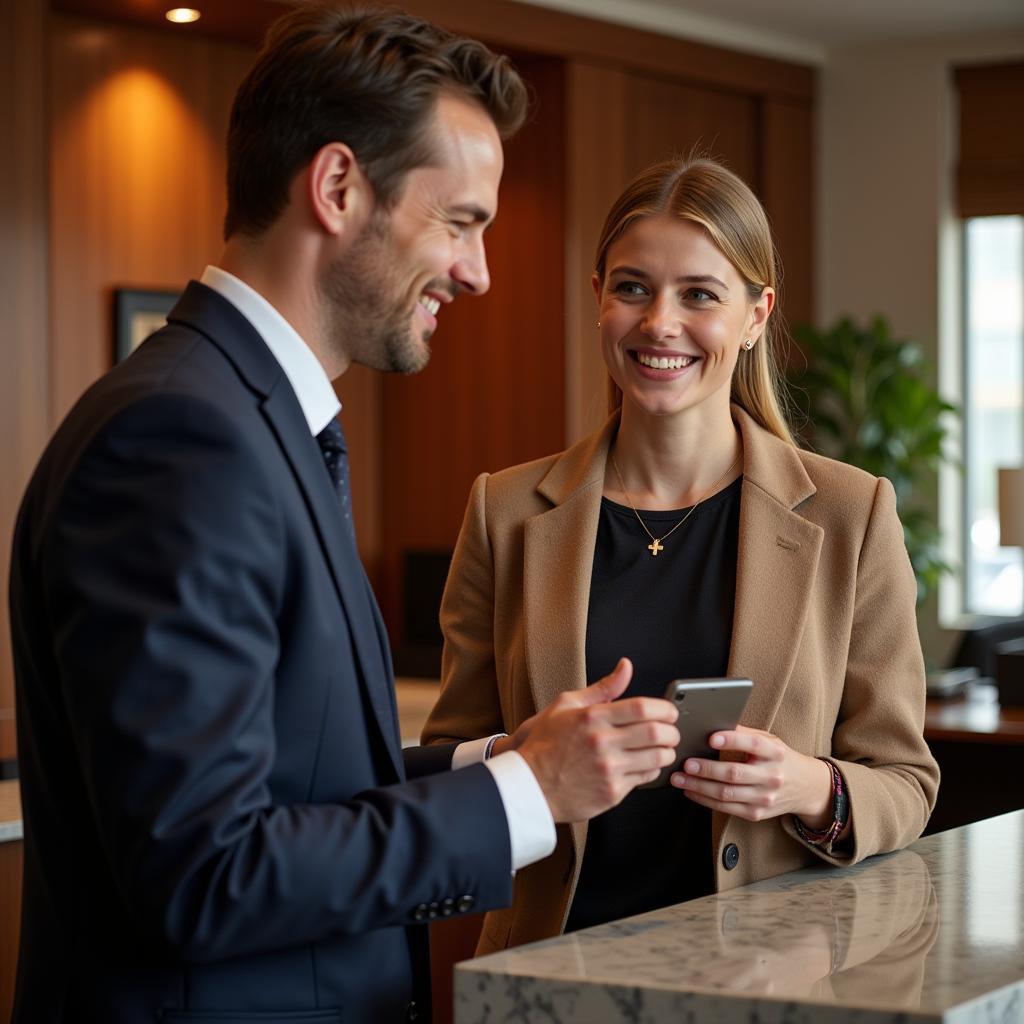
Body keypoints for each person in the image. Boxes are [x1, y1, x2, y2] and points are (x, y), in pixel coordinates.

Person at [8, 6, 682, 1022]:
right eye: (459, 222)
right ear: (335, 188)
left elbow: (295, 776)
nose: (478, 270)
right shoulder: (184, 441)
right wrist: (528, 796)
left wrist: (502, 758)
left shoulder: (245, 420)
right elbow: (204, 870)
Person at [422, 156, 940, 953]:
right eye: (632, 288)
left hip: (766, 979)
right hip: (551, 976)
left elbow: (906, 783)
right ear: (598, 296)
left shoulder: (851, 514)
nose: (659, 322)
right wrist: (525, 756)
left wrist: (807, 785)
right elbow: (444, 761)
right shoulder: (505, 511)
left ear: (755, 316)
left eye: (699, 294)